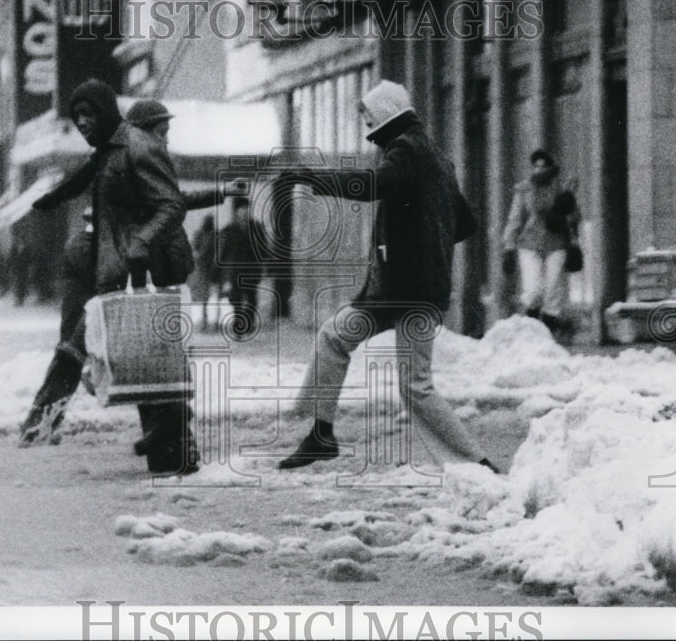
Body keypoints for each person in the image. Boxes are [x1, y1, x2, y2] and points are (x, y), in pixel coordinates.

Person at [277, 80, 496, 472]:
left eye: (369, 119)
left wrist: (312, 178)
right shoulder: (435, 157)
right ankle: (319, 435)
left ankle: (476, 464)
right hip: (397, 290)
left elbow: (372, 185)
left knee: (416, 385)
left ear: (384, 118)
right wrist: (425, 239)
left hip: (408, 292)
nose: (368, 129)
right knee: (334, 336)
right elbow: (465, 223)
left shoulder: (407, 149)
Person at [18, 81, 220, 475]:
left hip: (138, 267)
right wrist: (52, 198)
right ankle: (168, 440)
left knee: (144, 354)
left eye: (90, 115)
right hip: (121, 266)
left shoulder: (136, 147)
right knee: (141, 353)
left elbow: (168, 203)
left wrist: (144, 241)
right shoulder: (117, 150)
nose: (165, 136)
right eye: (78, 117)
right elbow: (154, 199)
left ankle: (169, 441)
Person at [501, 148, 580, 340]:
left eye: (543, 166)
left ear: (551, 167)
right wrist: (509, 246)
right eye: (535, 166)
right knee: (533, 290)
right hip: (529, 244)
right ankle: (531, 330)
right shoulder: (525, 189)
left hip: (556, 244)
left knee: (553, 291)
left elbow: (575, 216)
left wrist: (566, 212)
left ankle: (550, 333)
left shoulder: (561, 189)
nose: (539, 170)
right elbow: (515, 218)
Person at [217, 197, 267, 338]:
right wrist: (221, 272)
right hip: (236, 271)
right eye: (242, 209)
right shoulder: (229, 229)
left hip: (252, 269)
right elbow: (224, 252)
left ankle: (249, 322)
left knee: (252, 298)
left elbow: (264, 249)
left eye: (247, 209)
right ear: (236, 211)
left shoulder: (257, 228)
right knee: (236, 299)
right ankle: (239, 325)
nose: (245, 212)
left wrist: (265, 267)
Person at [189, 214, 222, 331]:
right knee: (209, 298)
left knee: (206, 298)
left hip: (209, 271)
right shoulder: (214, 235)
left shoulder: (203, 235)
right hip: (207, 271)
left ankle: (207, 323)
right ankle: (210, 323)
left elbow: (195, 251)